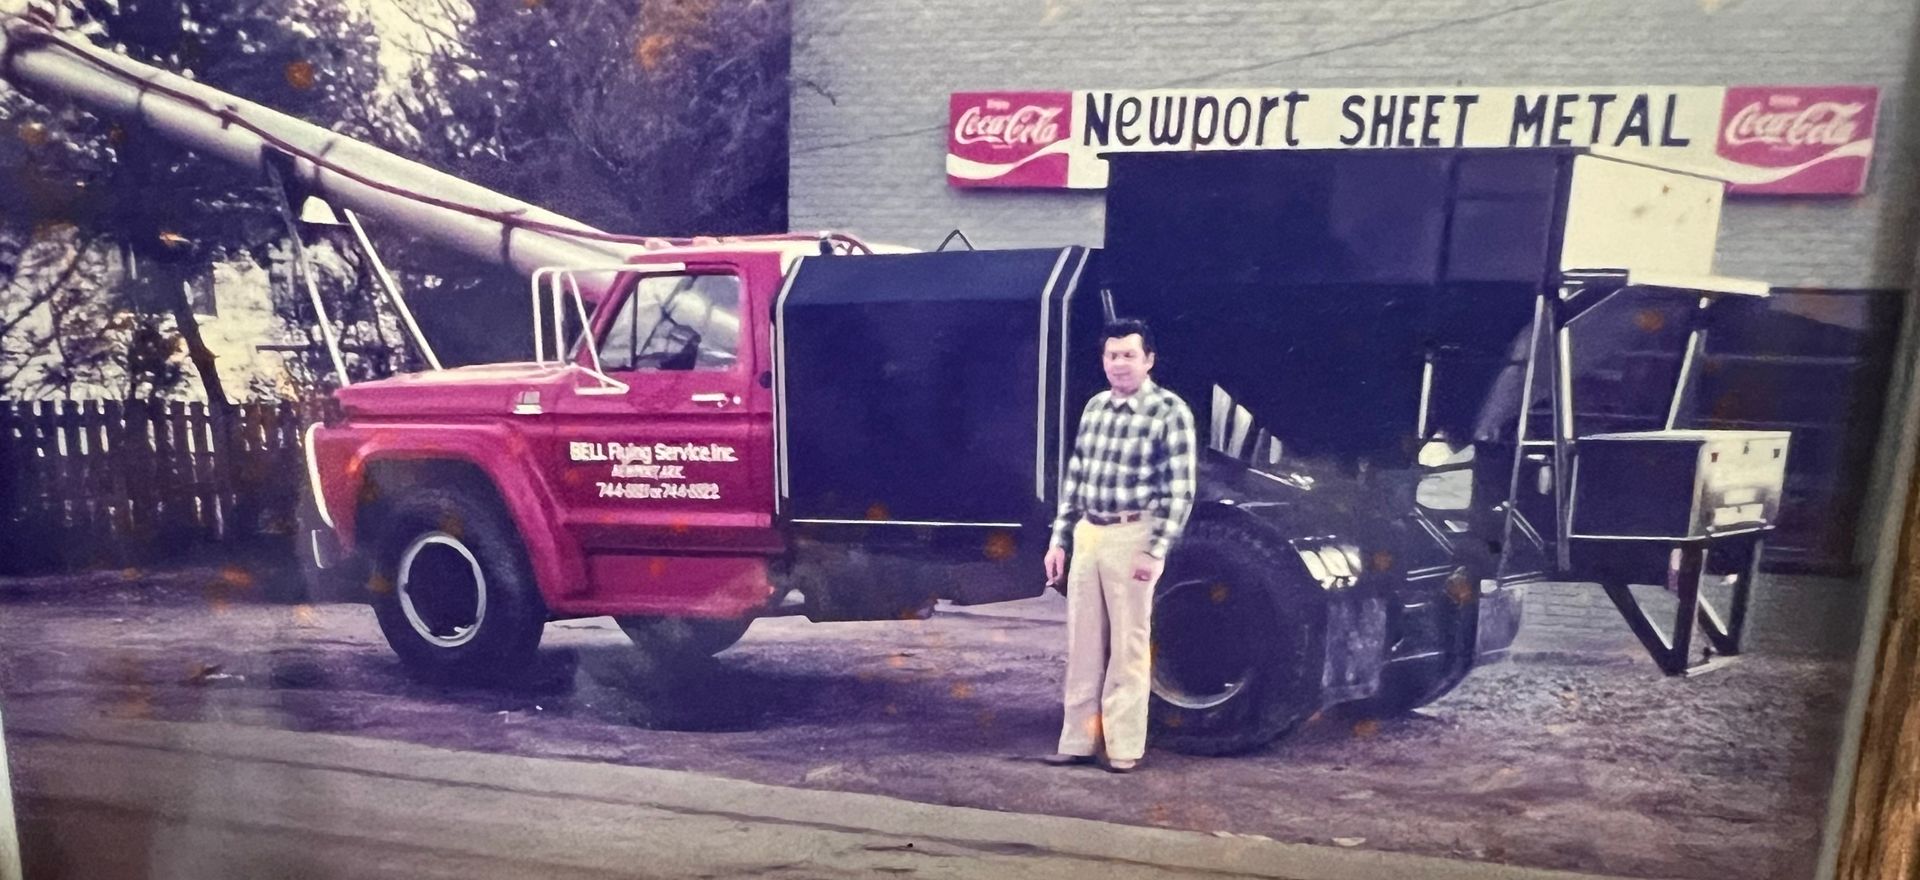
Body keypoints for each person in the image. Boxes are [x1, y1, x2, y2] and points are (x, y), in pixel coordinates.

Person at [1042, 318, 1196, 773]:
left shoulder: (1170, 412)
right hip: (1089, 534)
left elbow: (1180, 490)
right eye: (1112, 355)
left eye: (1129, 354)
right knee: (1083, 643)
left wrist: (1155, 550)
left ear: (1148, 360)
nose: (1119, 363)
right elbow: (1075, 477)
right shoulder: (1095, 408)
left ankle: (1124, 748)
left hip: (1134, 534)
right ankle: (1077, 741)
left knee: (1128, 647)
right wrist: (1060, 539)